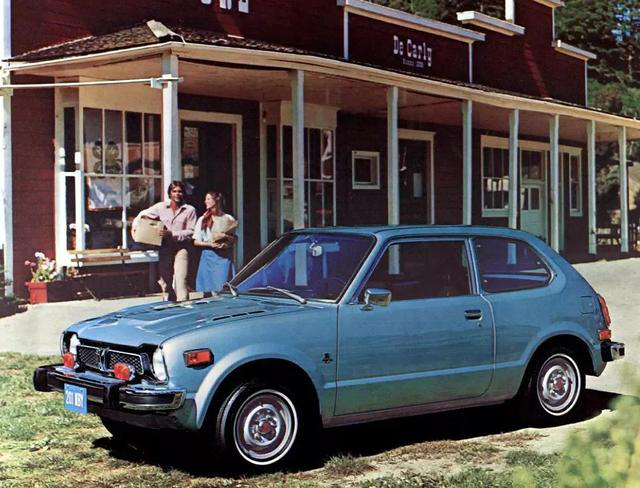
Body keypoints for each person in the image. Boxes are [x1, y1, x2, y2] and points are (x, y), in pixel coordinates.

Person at [133, 181, 197, 302]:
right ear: (170, 193)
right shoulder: (161, 207)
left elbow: (191, 232)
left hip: (181, 248)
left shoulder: (190, 210)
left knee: (181, 279)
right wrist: (137, 226)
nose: (177, 194)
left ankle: (184, 305)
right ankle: (170, 303)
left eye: (180, 191)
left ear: (183, 193)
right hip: (165, 248)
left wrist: (172, 234)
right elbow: (142, 214)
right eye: (174, 191)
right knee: (166, 280)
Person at [193, 191, 237, 296]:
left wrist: (227, 242)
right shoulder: (203, 220)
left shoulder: (228, 218)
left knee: (221, 290)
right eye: (205, 199)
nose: (205, 201)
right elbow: (196, 241)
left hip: (223, 258)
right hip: (208, 256)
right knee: (207, 292)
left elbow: (234, 239)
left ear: (216, 200)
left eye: (208, 199)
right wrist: (210, 244)